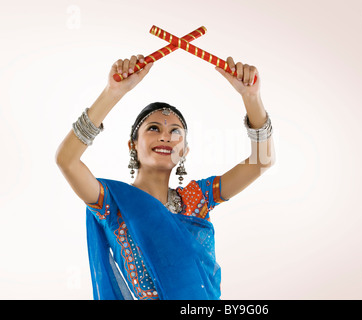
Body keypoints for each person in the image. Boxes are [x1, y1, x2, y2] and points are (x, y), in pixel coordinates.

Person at [55, 54, 275, 300]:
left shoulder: (196, 198)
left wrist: (251, 97)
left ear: (185, 152)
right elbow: (67, 160)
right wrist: (113, 92)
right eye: (154, 128)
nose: (165, 137)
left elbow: (262, 162)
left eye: (175, 131)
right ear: (132, 145)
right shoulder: (114, 205)